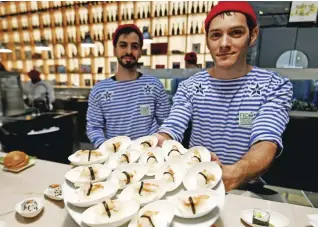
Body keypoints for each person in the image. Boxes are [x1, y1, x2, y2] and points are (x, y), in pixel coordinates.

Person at [155, 1, 293, 195]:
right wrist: (157, 140)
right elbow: (173, 126)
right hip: (196, 184)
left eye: (235, 33)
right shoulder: (191, 86)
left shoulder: (274, 86)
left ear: (252, 35)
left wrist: (235, 173)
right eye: (216, 35)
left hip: (246, 187)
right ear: (208, 40)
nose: (224, 44)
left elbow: (266, 140)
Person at [87, 24, 170, 148]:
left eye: (135, 46)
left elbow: (166, 122)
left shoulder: (154, 85)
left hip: (150, 156)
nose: (129, 51)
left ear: (141, 52)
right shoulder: (99, 90)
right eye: (123, 45)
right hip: (116, 158)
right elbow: (94, 128)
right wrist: (106, 150)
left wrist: (158, 144)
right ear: (114, 50)